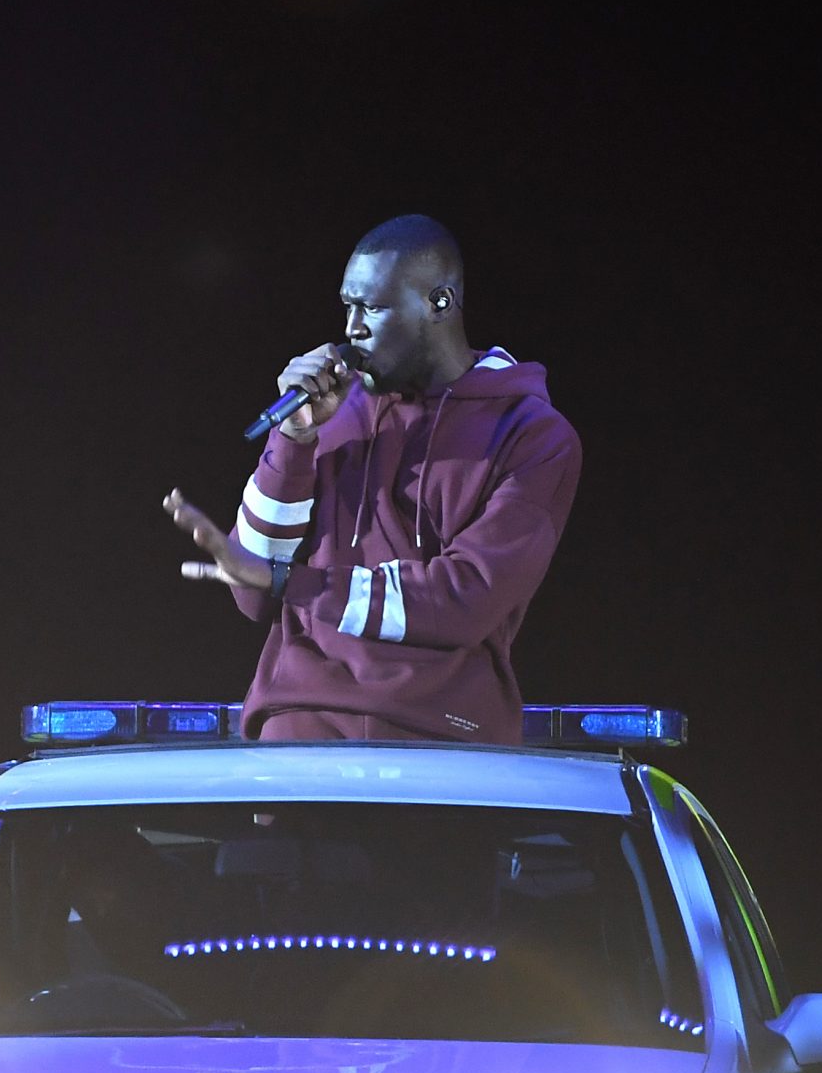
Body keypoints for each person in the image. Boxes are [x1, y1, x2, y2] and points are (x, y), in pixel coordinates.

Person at [162, 214, 581, 745]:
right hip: (299, 729)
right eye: (348, 307)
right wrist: (293, 441)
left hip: (444, 741)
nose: (352, 329)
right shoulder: (329, 411)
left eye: (373, 308)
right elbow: (254, 594)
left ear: (439, 302)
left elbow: (466, 600)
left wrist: (293, 583)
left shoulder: (532, 434)